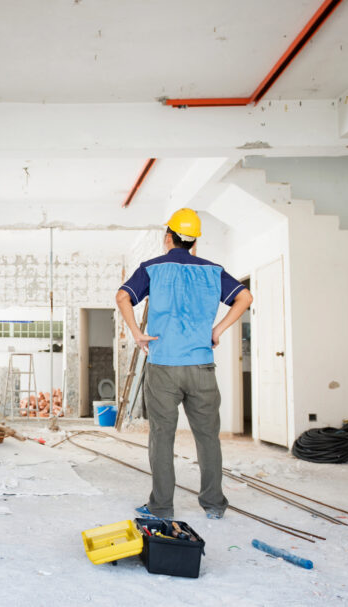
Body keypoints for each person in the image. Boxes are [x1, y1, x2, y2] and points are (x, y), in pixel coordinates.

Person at [115, 208, 253, 519]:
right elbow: (244, 297)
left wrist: (137, 333)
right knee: (207, 437)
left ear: (168, 238)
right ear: (194, 243)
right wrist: (216, 330)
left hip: (163, 366)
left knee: (162, 437)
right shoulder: (213, 270)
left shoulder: (152, 268)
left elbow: (123, 296)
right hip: (202, 366)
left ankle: (161, 507)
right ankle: (214, 506)